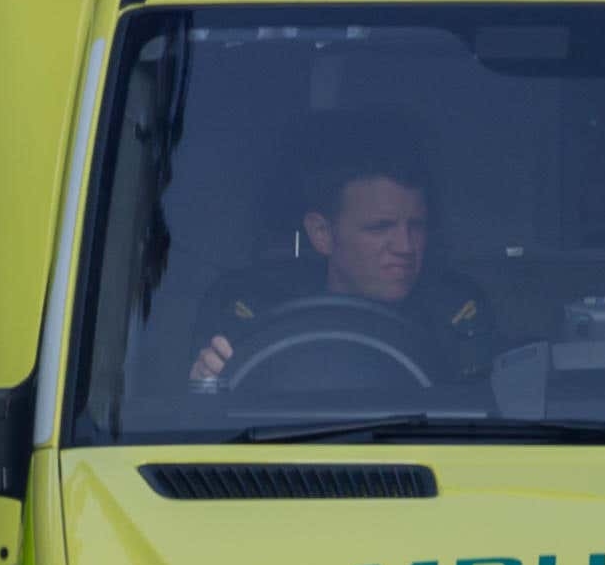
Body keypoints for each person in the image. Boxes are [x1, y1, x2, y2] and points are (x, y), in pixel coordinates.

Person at [189, 131, 494, 386]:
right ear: (322, 233)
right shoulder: (250, 316)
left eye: (417, 226)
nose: (405, 246)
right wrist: (205, 382)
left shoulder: (458, 319)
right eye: (380, 227)